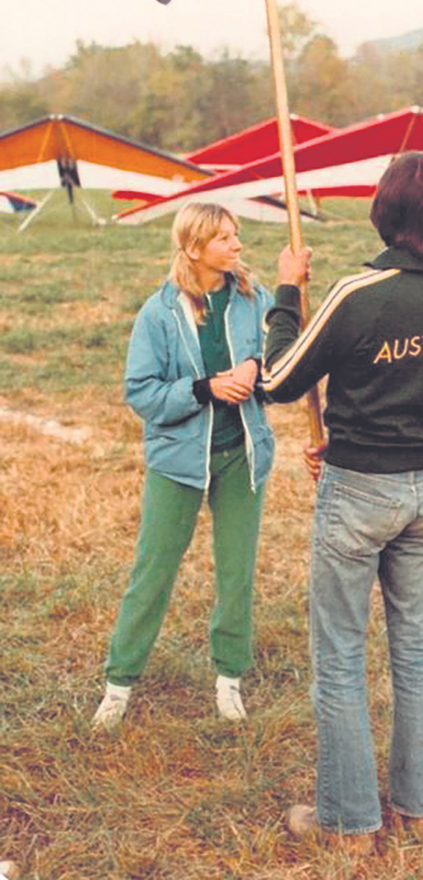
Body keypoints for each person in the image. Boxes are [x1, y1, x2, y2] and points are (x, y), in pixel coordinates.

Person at [262, 151, 423, 852]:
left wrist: (283, 290)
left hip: (360, 492)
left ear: (383, 213)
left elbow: (277, 376)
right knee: (418, 647)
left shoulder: (361, 291)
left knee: (339, 655)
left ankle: (348, 822)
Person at [93, 202, 274, 729]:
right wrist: (205, 388)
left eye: (236, 235)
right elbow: (141, 393)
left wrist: (255, 368)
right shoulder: (160, 312)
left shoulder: (252, 298)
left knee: (237, 572)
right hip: (178, 462)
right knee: (153, 571)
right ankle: (119, 683)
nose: (237, 245)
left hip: (242, 456)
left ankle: (229, 678)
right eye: (224, 238)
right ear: (194, 248)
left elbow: (283, 358)